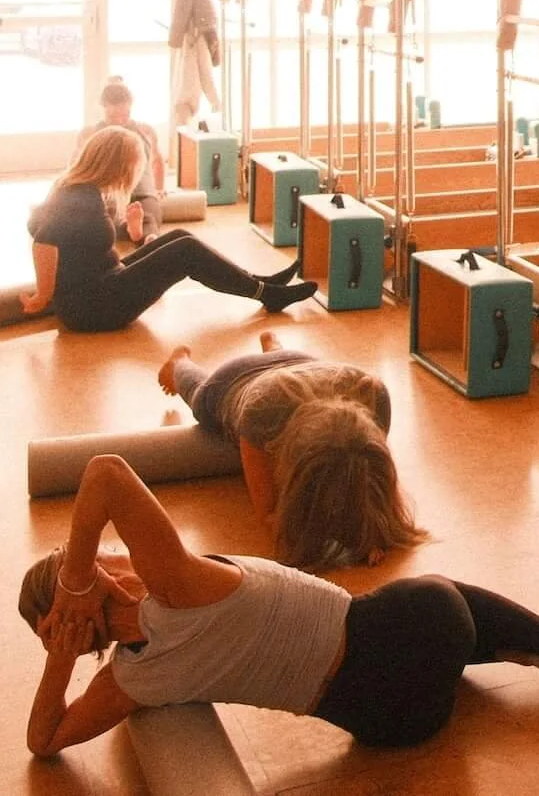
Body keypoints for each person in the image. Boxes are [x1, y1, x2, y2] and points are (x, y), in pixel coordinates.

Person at [19, 456, 539, 757]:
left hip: (391, 727)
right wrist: (76, 580)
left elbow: (42, 742)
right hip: (414, 628)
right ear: (94, 571)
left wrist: (60, 661)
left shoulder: (126, 680)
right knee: (438, 595)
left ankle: (538, 650)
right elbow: (103, 473)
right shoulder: (174, 585)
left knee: (441, 640)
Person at [158, 333, 421, 572]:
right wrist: (348, 544)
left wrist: (374, 536)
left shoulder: (373, 395)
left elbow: (376, 489)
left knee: (283, 371)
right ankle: (179, 362)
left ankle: (273, 349)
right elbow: (270, 514)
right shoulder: (259, 414)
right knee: (198, 394)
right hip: (232, 380)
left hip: (301, 365)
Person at [21, 126, 316, 333]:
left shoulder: (77, 188)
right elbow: (43, 238)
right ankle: (268, 294)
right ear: (116, 163)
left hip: (102, 287)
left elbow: (49, 229)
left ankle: (262, 283)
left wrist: (136, 235)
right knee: (185, 251)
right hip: (95, 308)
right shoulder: (80, 195)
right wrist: (44, 295)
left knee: (179, 237)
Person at [80, 76, 165, 234]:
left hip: (142, 193)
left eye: (125, 115)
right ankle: (128, 226)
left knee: (150, 218)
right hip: (109, 195)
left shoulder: (145, 130)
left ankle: (144, 236)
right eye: (113, 117)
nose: (119, 122)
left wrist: (159, 189)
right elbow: (77, 167)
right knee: (101, 221)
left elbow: (157, 160)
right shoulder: (90, 134)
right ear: (103, 108)